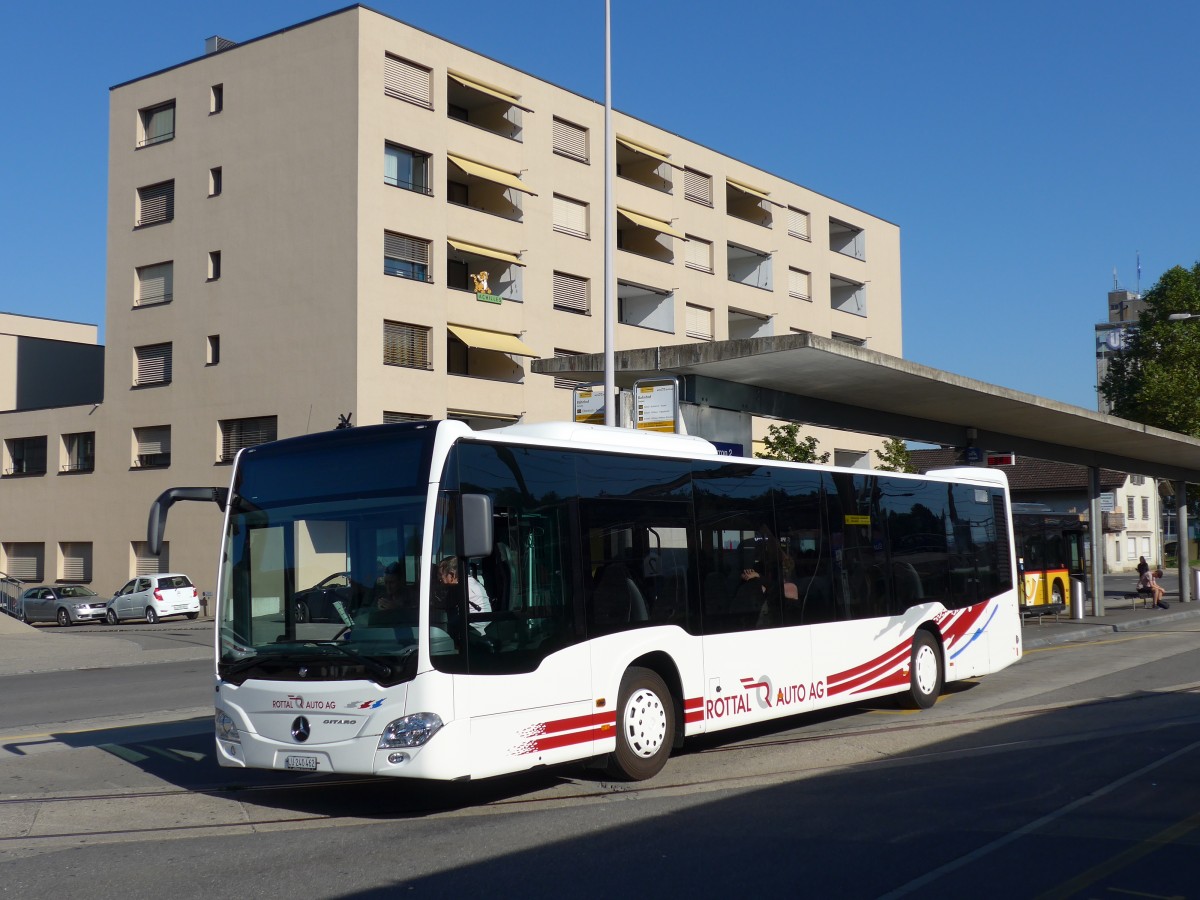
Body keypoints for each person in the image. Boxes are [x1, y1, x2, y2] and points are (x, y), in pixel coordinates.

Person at [438, 556, 491, 634]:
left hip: (475, 634)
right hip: (482, 628)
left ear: (452, 576)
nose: (439, 581)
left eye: (440, 577)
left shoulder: (462, 588)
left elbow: (443, 607)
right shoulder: (470, 581)